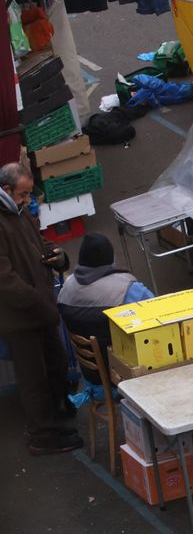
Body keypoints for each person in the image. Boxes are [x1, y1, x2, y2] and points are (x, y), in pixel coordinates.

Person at [0, 163, 80, 454]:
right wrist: (37, 302)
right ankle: (42, 436)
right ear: (7, 190)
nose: (28, 200)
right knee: (33, 376)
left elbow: (37, 241)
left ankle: (57, 411)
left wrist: (57, 256)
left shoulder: (17, 211)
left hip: (41, 308)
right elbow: (4, 280)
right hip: (20, 318)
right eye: (23, 194)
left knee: (56, 363)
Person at [57, 233, 154, 383]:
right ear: (110, 257)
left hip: (91, 371)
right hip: (125, 371)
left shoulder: (66, 288)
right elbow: (159, 312)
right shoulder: (127, 289)